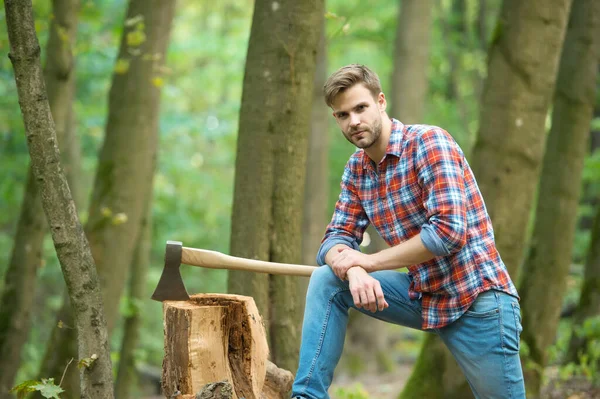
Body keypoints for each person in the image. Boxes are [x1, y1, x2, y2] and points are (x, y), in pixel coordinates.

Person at [291, 64, 525, 399]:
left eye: (360, 108)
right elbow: (334, 239)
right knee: (327, 279)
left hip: (477, 300)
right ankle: (306, 396)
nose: (353, 121)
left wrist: (367, 263)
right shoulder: (357, 170)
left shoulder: (429, 143)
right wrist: (353, 268)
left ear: (381, 102)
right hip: (422, 295)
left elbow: (448, 233)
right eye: (343, 115)